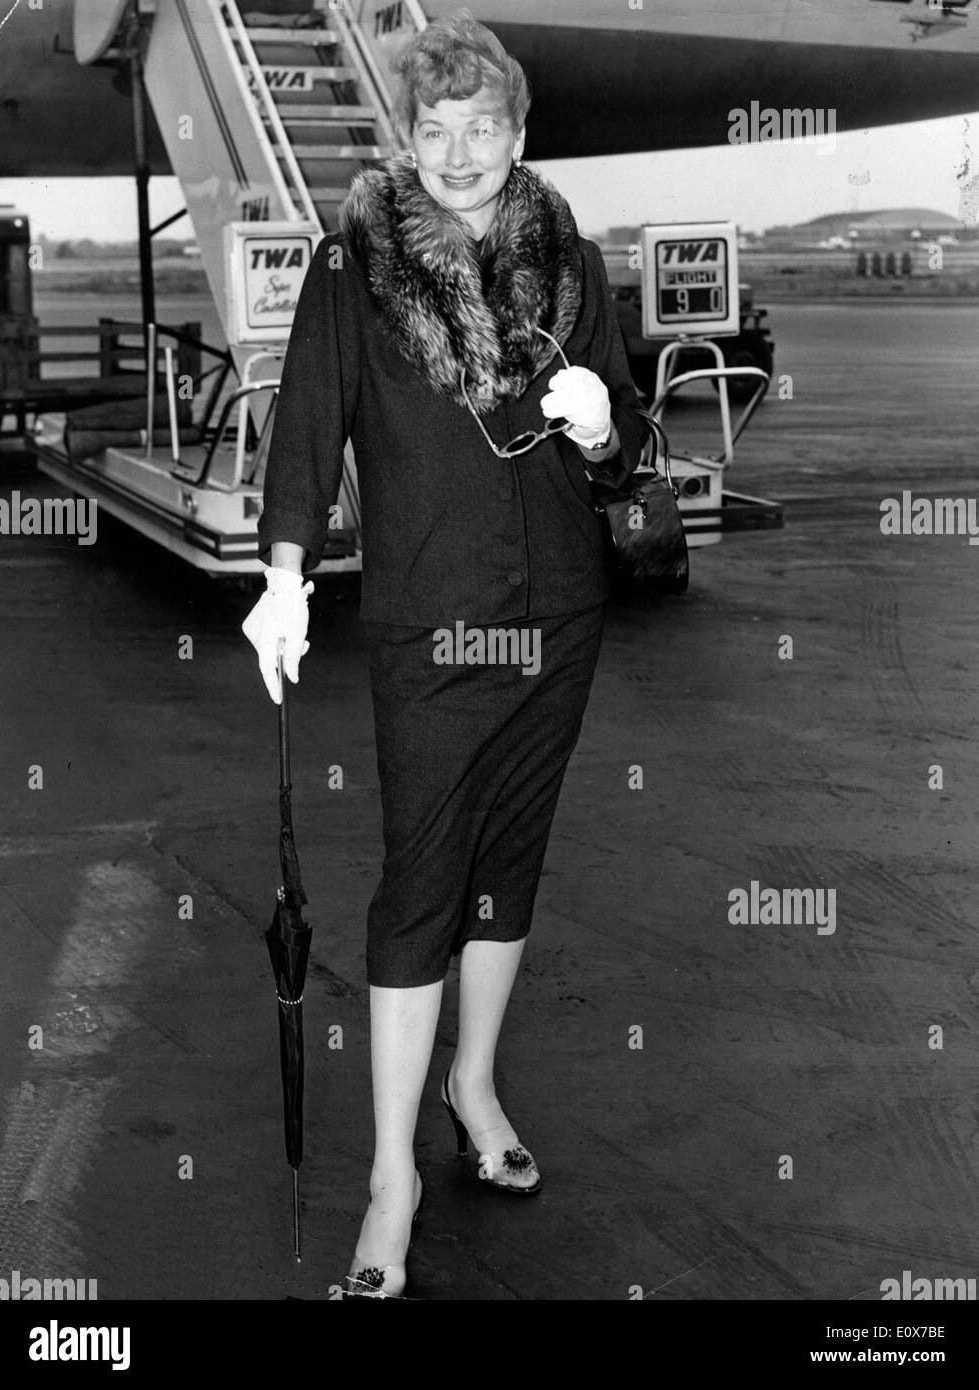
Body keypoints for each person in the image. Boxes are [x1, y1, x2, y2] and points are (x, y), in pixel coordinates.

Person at [242, 8, 646, 1299]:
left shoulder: (567, 255)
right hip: (432, 622)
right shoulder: (355, 262)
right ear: (408, 138)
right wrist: (287, 577)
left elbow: (625, 425)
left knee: (508, 861)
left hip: (560, 617)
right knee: (421, 881)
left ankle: (473, 1086)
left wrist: (600, 424)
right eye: (437, 127)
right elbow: (309, 424)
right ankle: (391, 1178)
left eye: (485, 127)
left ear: (520, 133)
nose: (461, 149)